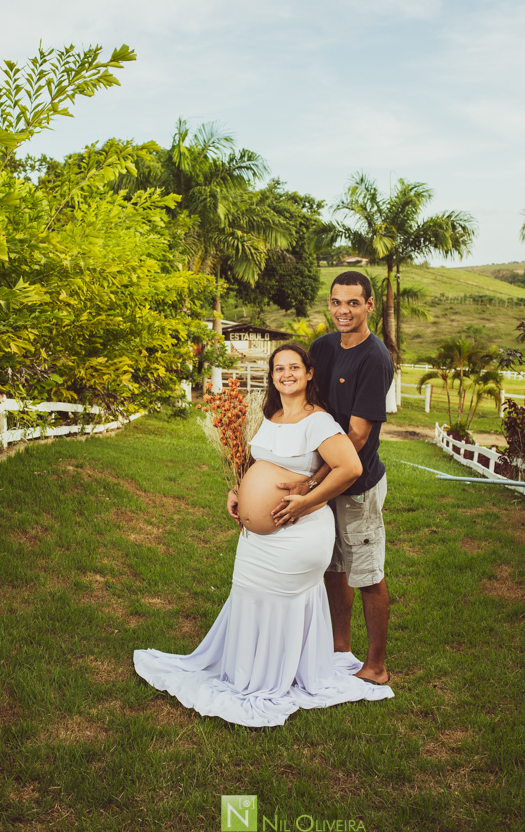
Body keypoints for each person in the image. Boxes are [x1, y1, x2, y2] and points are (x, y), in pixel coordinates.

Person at [134, 343, 393, 727]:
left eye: (294, 367)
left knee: (276, 599)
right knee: (249, 594)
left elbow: (350, 468)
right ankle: (250, 670)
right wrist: (238, 490)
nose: (286, 374)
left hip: (299, 534)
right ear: (272, 377)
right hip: (258, 540)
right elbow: (260, 462)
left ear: (309, 373)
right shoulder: (271, 416)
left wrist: (306, 500)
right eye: (278, 369)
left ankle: (277, 675)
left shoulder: (318, 420)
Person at [271, 272, 394, 686]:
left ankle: (376, 665)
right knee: (332, 567)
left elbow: (356, 436)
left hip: (356, 486)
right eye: (337, 302)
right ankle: (341, 648)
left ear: (369, 306)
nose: (344, 311)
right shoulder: (322, 348)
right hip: (325, 480)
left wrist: (314, 482)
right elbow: (302, 399)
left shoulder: (375, 359)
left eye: (353, 303)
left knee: (366, 573)